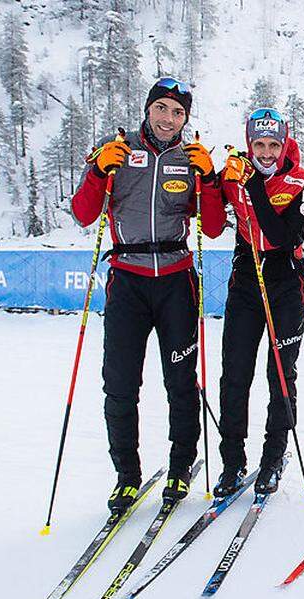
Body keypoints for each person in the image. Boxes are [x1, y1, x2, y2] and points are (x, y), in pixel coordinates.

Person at [70, 77, 222, 511]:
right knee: (119, 384)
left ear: (186, 118)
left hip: (176, 281)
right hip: (128, 281)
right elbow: (83, 214)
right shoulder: (117, 148)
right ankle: (127, 476)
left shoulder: (190, 157)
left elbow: (211, 226)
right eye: (162, 108)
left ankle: (180, 468)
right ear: (148, 109)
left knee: (180, 382)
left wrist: (208, 181)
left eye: (178, 113)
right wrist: (100, 170)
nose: (169, 119)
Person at [211, 107, 304, 497]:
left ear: (285, 143)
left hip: (285, 284)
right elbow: (208, 223)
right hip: (245, 282)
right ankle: (231, 461)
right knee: (235, 375)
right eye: (260, 144)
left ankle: (273, 457)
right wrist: (211, 180)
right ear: (249, 144)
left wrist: (253, 185)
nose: (268, 152)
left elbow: (284, 237)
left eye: (275, 144)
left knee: (281, 376)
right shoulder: (235, 177)